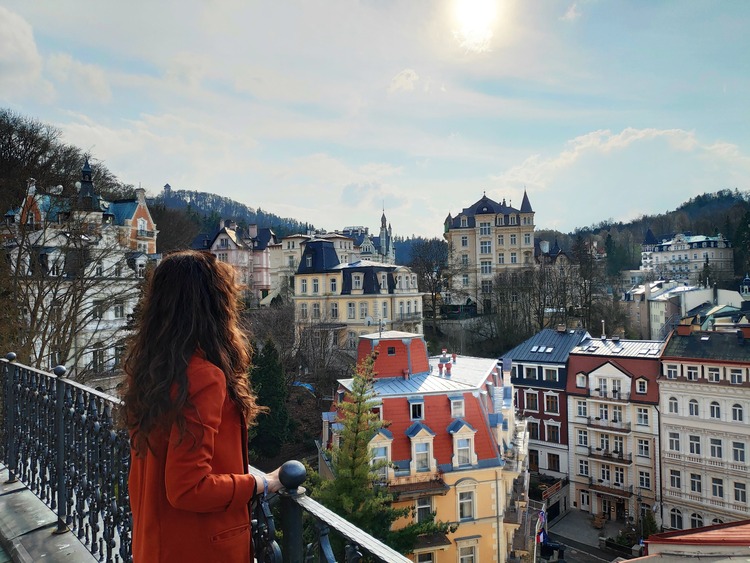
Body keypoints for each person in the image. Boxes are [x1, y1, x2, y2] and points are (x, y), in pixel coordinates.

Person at [123, 250, 282, 562]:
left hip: (156, 539)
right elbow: (188, 486)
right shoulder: (202, 377)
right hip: (197, 546)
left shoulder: (154, 370)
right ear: (214, 306)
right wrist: (260, 482)